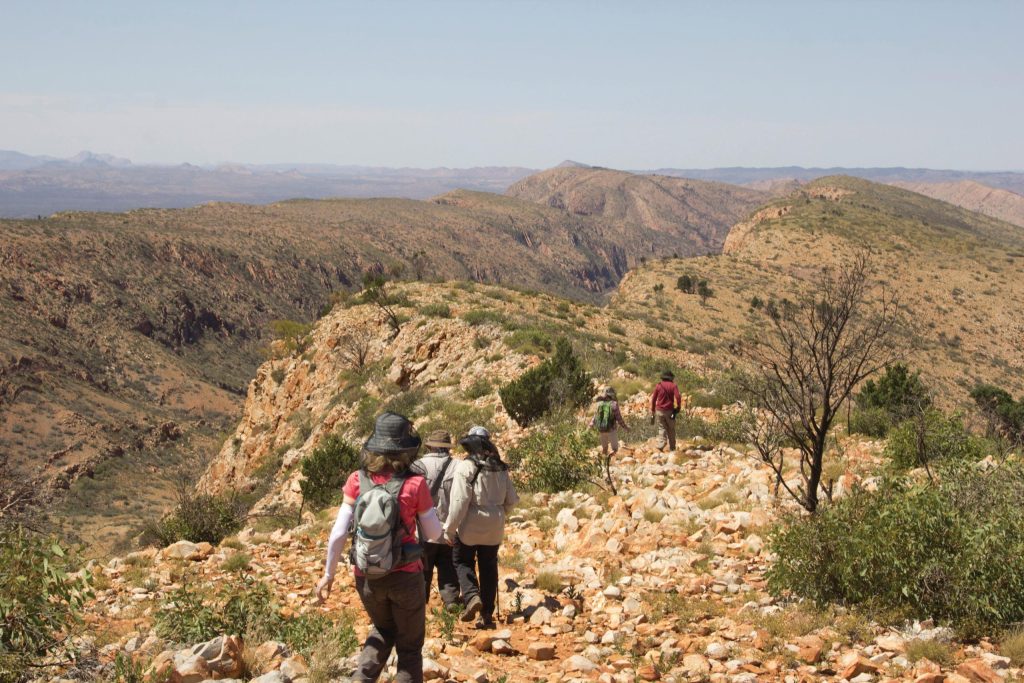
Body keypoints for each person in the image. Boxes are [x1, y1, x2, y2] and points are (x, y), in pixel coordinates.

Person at [316, 412, 443, 683]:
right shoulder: (415, 483)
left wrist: (328, 575)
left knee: (383, 629)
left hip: (367, 575)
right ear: (405, 450)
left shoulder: (356, 480)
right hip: (406, 575)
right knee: (409, 647)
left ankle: (360, 680)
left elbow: (338, 533)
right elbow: (433, 533)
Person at [443, 426, 519, 629]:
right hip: (495, 525)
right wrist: (499, 513)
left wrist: (450, 529)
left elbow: (459, 502)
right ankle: (486, 613)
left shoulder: (466, 467)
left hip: (470, 524)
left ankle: (471, 596)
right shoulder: (501, 468)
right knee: (488, 566)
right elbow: (511, 500)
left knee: (462, 561)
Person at [409, 430, 460, 609]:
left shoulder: (417, 466)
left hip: (423, 528)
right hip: (449, 527)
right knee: (448, 566)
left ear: (429, 446)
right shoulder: (458, 466)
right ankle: (451, 600)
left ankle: (419, 605)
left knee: (423, 569)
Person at [650, 370, 683, 452]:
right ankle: (672, 447)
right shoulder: (673, 386)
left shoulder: (658, 385)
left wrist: (653, 410)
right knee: (671, 429)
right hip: (669, 411)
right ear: (671, 378)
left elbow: (653, 399)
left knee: (662, 427)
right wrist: (678, 406)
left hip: (659, 411)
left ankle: (661, 444)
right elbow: (678, 397)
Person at [591, 385, 629, 456]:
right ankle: (613, 463)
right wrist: (626, 428)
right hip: (612, 430)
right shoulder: (614, 404)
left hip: (601, 430)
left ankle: (604, 463)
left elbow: (594, 417)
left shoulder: (599, 404)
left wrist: (589, 427)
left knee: (604, 449)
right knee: (615, 450)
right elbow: (619, 419)